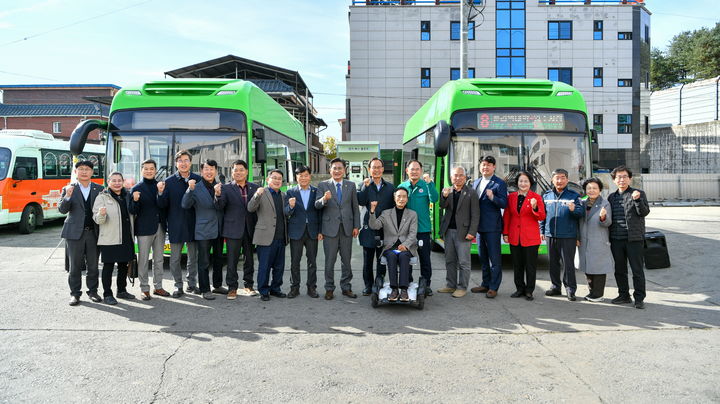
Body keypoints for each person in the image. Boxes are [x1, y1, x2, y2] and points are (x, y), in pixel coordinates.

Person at [157, 150, 202, 297]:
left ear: (190, 162)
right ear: (176, 163)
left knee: (193, 257)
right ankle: (178, 286)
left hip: (194, 224)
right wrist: (161, 193)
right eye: (180, 161)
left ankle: (192, 284)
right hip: (176, 225)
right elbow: (163, 205)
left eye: (186, 160)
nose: (183, 163)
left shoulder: (198, 179)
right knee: (175, 259)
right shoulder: (168, 182)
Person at [59, 160, 104, 306]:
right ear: (76, 172)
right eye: (81, 169)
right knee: (75, 266)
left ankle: (93, 291)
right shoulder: (69, 188)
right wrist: (67, 197)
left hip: (93, 233)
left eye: (87, 169)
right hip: (74, 234)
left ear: (92, 172)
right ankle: (75, 294)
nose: (84, 172)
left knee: (93, 265)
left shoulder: (100, 189)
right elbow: (62, 210)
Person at [315, 158, 360, 300]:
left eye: (340, 168)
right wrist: (324, 199)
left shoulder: (351, 185)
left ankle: (346, 287)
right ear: (330, 170)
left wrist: (356, 226)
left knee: (346, 260)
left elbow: (355, 207)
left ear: (344, 170)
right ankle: (329, 288)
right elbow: (317, 206)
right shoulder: (323, 185)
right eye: (334, 168)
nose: (337, 171)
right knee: (330, 260)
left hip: (347, 229)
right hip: (329, 229)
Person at [181, 159, 225, 300]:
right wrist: (189, 190)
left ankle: (217, 285)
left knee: (219, 259)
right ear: (201, 171)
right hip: (203, 229)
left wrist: (219, 194)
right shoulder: (196, 187)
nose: (209, 172)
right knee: (204, 261)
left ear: (216, 171)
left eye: (212, 169)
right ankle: (205, 289)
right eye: (206, 169)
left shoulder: (221, 186)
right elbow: (185, 205)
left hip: (219, 228)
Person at [216, 159, 260, 299]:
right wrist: (217, 195)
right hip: (232, 229)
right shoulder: (226, 188)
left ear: (246, 172)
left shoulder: (255, 187)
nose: (238, 172)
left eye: (241, 170)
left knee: (249, 260)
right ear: (232, 172)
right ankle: (232, 288)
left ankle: (248, 285)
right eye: (236, 170)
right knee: (232, 260)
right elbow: (220, 207)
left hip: (250, 229)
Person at [608, 166, 650, 309]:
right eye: (618, 177)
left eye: (625, 176)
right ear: (614, 180)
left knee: (637, 270)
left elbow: (644, 212)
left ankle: (639, 298)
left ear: (630, 179)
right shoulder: (611, 197)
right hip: (616, 239)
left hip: (634, 239)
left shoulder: (638, 193)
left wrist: (638, 200)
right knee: (619, 270)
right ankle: (624, 295)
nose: (622, 179)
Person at [92, 172, 136, 305]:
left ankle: (121, 290)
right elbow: (97, 220)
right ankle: (107, 294)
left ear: (123, 182)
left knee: (123, 265)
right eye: (114, 180)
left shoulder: (127, 195)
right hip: (109, 238)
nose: (117, 183)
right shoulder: (102, 197)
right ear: (108, 182)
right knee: (108, 267)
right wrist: (101, 214)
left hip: (126, 237)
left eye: (119, 180)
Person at [541, 168, 585, 301]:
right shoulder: (546, 195)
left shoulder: (574, 196)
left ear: (567, 180)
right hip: (551, 235)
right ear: (552, 180)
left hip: (568, 235)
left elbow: (580, 213)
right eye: (557, 178)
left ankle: (570, 288)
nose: (559, 180)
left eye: (562, 178)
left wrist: (573, 209)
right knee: (553, 263)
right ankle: (555, 286)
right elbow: (542, 216)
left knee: (568, 264)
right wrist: (542, 230)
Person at [128, 159, 169, 299]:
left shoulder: (161, 185)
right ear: (142, 170)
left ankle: (158, 287)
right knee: (144, 260)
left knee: (159, 260)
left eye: (151, 168)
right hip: (144, 229)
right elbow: (132, 211)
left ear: (155, 170)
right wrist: (134, 200)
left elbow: (164, 205)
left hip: (160, 227)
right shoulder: (136, 188)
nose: (149, 171)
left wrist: (161, 193)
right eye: (146, 168)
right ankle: (144, 288)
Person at [368, 188, 418, 302]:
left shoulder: (412, 214)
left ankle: (404, 289)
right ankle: (394, 289)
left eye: (404, 196)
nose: (401, 199)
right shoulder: (386, 213)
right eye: (399, 196)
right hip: (390, 247)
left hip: (406, 247)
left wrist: (405, 245)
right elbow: (374, 225)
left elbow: (413, 233)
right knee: (392, 256)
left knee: (404, 256)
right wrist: (372, 212)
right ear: (394, 198)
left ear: (407, 198)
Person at [502, 171, 546, 301]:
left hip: (531, 237)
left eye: (526, 181)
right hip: (515, 236)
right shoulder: (511, 197)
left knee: (530, 265)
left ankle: (529, 290)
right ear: (517, 183)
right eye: (521, 181)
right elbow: (507, 215)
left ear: (530, 183)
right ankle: (519, 288)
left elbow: (542, 216)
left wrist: (535, 207)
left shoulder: (536, 197)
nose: (523, 183)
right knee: (517, 265)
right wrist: (505, 233)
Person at [437, 166, 479, 298]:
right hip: (449, 231)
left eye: (461, 175)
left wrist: (472, 232)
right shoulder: (448, 191)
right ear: (451, 178)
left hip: (464, 232)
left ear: (465, 177)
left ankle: (462, 287)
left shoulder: (471, 193)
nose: (458, 178)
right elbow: (442, 206)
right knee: (450, 260)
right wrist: (443, 196)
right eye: (455, 175)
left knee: (464, 262)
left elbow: (476, 214)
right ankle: (451, 285)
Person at [398, 159, 438, 296]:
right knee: (406, 259)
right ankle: (407, 283)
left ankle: (426, 285)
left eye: (417, 169)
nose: (414, 171)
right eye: (412, 169)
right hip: (406, 231)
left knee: (425, 259)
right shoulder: (402, 186)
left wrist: (430, 184)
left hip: (423, 230)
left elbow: (435, 199)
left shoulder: (426, 185)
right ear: (407, 171)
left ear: (421, 171)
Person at [248, 169, 288, 301]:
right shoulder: (262, 192)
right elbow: (250, 208)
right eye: (274, 178)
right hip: (265, 237)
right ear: (267, 179)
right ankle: (264, 291)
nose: (277, 181)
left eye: (279, 178)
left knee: (279, 267)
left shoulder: (283, 195)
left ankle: (276, 289)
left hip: (281, 237)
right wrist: (256, 195)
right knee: (264, 266)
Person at [470, 156, 507, 298]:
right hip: (479, 227)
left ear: (494, 167)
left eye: (488, 165)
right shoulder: (476, 182)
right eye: (483, 165)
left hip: (492, 227)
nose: (485, 167)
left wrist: (493, 197)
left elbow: (504, 203)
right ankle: (485, 284)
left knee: (494, 259)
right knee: (483, 257)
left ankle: (493, 287)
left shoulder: (499, 183)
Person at [357, 157, 395, 296]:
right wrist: (365, 187)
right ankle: (368, 285)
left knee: (382, 259)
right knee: (367, 260)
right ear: (369, 170)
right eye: (374, 167)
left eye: (379, 167)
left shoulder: (390, 187)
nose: (377, 170)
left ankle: (379, 283)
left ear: (383, 169)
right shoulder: (364, 184)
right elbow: (360, 201)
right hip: (368, 228)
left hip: (385, 229)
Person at [284, 166, 323, 299]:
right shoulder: (290, 192)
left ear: (310, 176)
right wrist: (291, 206)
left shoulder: (316, 191)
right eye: (300, 175)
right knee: (295, 261)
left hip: (312, 231)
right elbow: (286, 212)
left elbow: (320, 213)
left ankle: (311, 287)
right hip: (296, 232)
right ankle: (294, 287)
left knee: (312, 261)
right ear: (296, 177)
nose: (303, 178)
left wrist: (320, 231)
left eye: (306, 175)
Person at [578, 177, 613, 302]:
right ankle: (592, 291)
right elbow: (577, 221)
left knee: (598, 267)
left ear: (600, 189)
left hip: (598, 240)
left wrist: (603, 217)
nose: (591, 190)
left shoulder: (605, 203)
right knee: (587, 266)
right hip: (584, 240)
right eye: (589, 188)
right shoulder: (581, 202)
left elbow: (607, 223)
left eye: (594, 188)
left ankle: (598, 294)